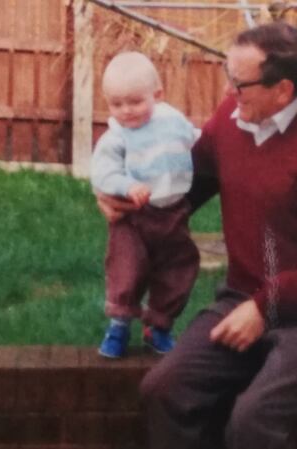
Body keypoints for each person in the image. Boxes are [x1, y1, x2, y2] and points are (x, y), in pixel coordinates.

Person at [96, 22, 297, 449]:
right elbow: (182, 184)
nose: (230, 92)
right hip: (244, 298)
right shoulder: (232, 122)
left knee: (252, 424)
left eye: (239, 84)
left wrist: (264, 306)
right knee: (164, 389)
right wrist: (126, 205)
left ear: (283, 90)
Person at [91, 51, 199, 359]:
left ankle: (159, 326)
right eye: (116, 104)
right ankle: (119, 324)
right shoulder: (116, 137)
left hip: (173, 212)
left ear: (158, 95)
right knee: (127, 268)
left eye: (135, 102)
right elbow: (103, 172)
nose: (126, 111)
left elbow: (193, 140)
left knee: (178, 268)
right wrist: (127, 186)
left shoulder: (172, 120)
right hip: (135, 217)